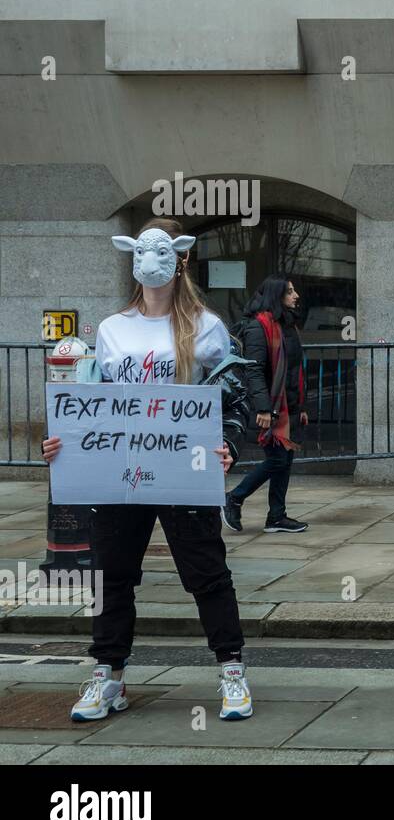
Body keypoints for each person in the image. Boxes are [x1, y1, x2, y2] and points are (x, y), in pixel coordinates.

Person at [42, 218, 255, 722]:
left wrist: (227, 444)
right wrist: (62, 445)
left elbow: (234, 398)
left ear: (180, 258)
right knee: (111, 575)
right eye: (141, 253)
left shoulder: (206, 327)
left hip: (183, 470)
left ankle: (231, 669)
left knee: (206, 573)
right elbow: (87, 406)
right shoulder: (113, 330)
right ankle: (107, 674)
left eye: (160, 253)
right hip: (119, 476)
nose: (149, 264)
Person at [223, 274, 310, 533]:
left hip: (287, 406)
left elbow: (295, 369)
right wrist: (264, 407)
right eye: (290, 292)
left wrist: (301, 406)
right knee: (277, 461)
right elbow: (254, 371)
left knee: (285, 460)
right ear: (276, 296)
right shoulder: (258, 327)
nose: (296, 296)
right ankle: (234, 498)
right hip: (269, 407)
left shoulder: (287, 325)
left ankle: (276, 516)